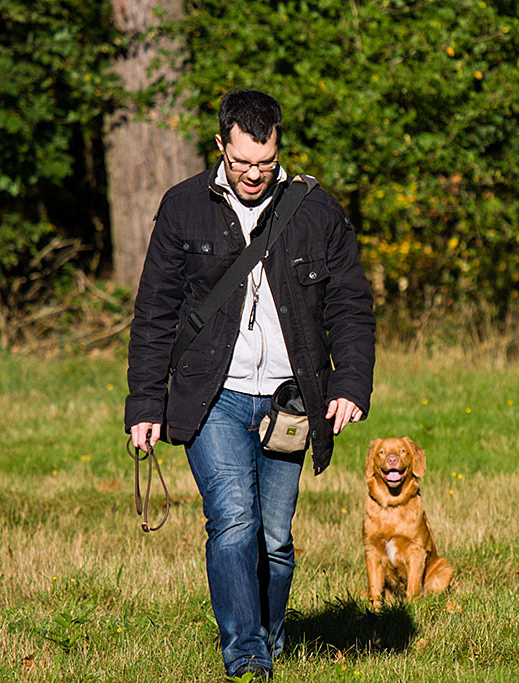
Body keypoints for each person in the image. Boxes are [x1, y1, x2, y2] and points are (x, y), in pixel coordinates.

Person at [125, 89, 375, 680]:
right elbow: (155, 310)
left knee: (275, 540)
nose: (254, 174)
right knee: (233, 518)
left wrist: (351, 384)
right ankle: (247, 655)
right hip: (212, 397)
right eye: (242, 163)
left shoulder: (316, 210)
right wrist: (144, 402)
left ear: (278, 148)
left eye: (265, 162)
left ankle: (271, 636)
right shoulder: (184, 206)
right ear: (221, 146)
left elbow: (350, 304)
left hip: (289, 401)